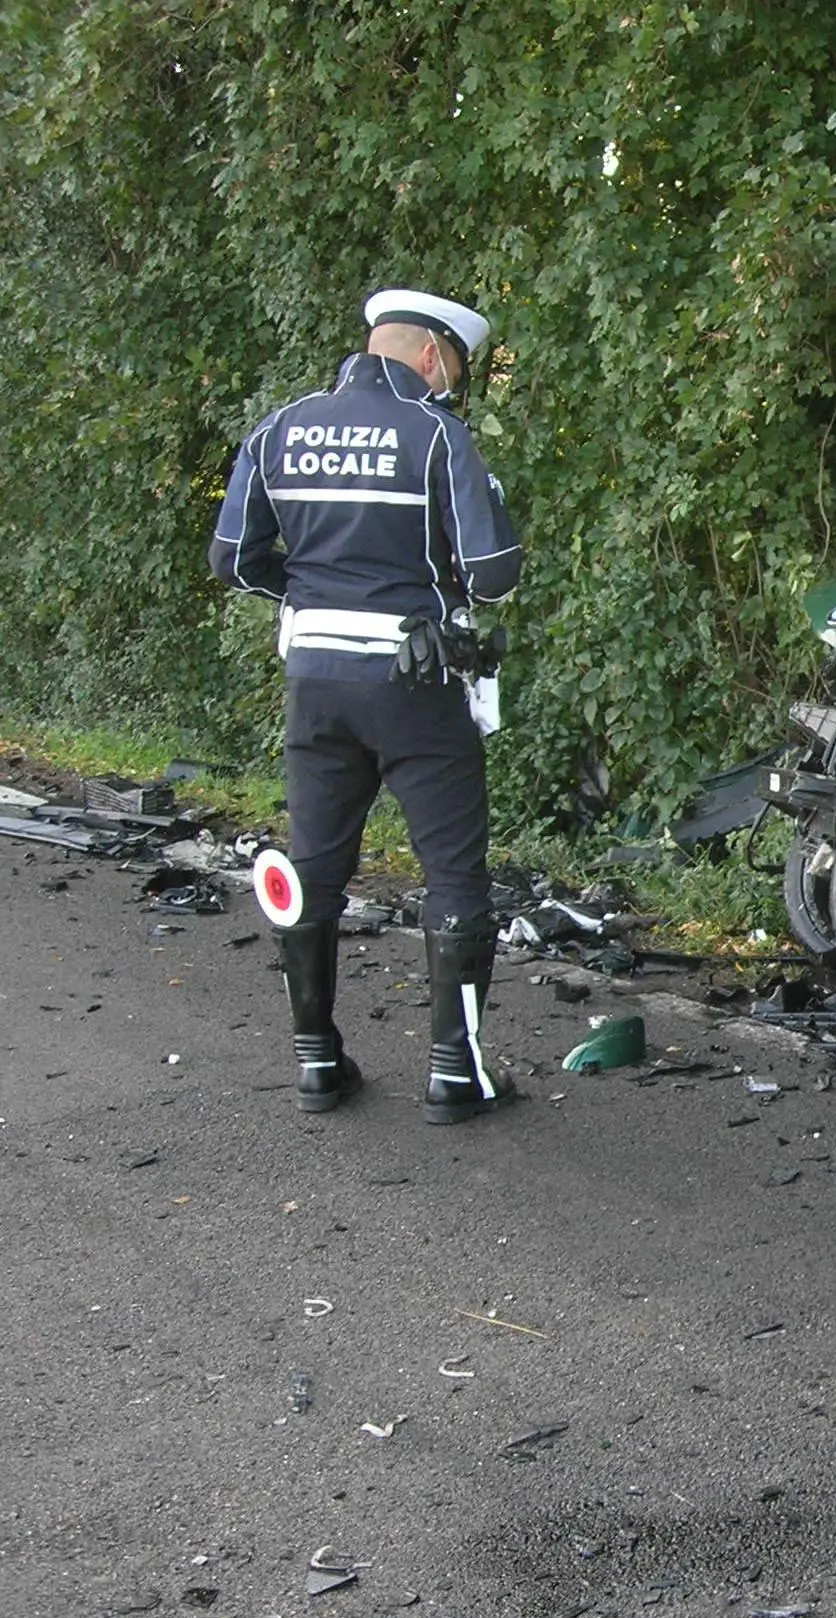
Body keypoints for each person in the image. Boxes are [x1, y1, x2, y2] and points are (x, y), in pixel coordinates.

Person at [210, 289, 523, 1124]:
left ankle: (317, 1061)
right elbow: (493, 571)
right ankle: (455, 1072)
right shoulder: (433, 433)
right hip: (415, 682)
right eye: (454, 365)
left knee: (314, 865)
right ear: (428, 354)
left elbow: (234, 559)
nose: (454, 382)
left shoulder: (280, 428)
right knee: (452, 871)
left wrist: (308, 592)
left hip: (314, 677)